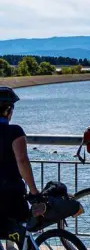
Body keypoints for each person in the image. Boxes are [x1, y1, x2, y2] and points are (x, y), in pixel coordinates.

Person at [0, 86, 41, 240]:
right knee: (22, 234)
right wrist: (34, 191)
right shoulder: (15, 131)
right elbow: (22, 160)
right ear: (8, 111)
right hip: (12, 191)